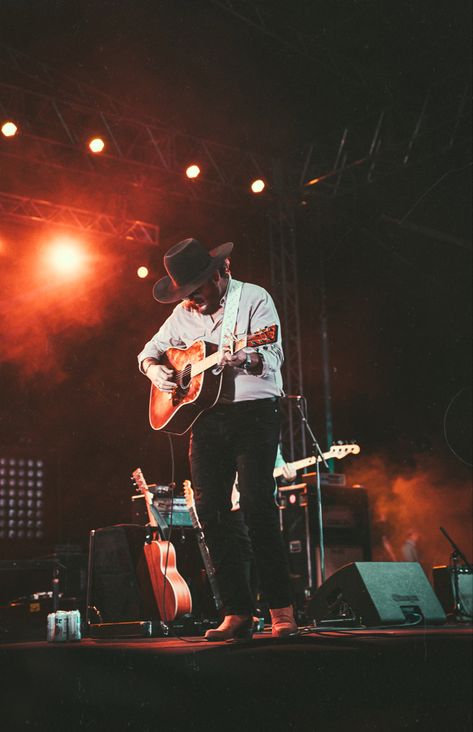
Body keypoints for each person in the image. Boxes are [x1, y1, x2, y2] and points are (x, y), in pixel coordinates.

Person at [138, 238, 298, 640]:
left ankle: (281, 610)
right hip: (208, 420)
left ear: (219, 273)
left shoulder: (254, 299)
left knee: (259, 507)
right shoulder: (182, 312)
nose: (191, 302)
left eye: (197, 292)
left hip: (254, 415)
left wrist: (245, 357)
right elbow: (148, 352)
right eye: (185, 295)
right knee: (210, 512)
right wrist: (155, 371)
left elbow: (273, 355)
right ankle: (238, 612)